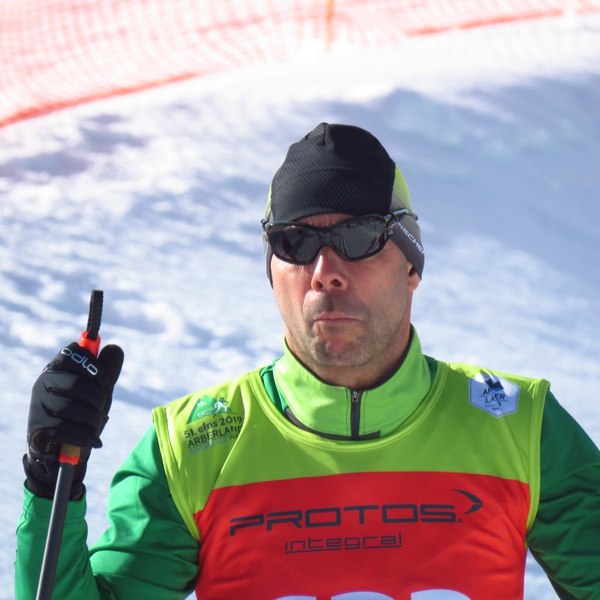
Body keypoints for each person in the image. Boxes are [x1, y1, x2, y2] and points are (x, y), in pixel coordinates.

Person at [15, 123, 600, 600]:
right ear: (272, 271)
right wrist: (50, 478)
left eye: (359, 237)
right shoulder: (191, 448)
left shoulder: (522, 428)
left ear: (412, 265)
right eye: (294, 242)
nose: (325, 272)